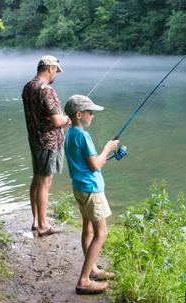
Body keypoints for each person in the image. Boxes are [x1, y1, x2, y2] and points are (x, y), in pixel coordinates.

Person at [64, 95, 118, 295]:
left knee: (87, 230)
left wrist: (103, 156)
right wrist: (108, 148)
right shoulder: (83, 136)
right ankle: (84, 280)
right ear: (79, 114)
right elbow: (95, 164)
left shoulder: (69, 134)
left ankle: (93, 269)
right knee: (101, 233)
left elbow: (86, 163)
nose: (92, 116)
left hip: (79, 187)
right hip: (91, 190)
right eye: (90, 112)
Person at [22, 55, 71, 236]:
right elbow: (57, 120)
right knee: (45, 181)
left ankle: (36, 220)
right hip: (48, 142)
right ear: (50, 69)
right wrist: (70, 119)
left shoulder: (28, 87)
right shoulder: (46, 90)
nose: (55, 75)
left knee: (37, 179)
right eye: (56, 71)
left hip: (35, 140)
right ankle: (43, 225)